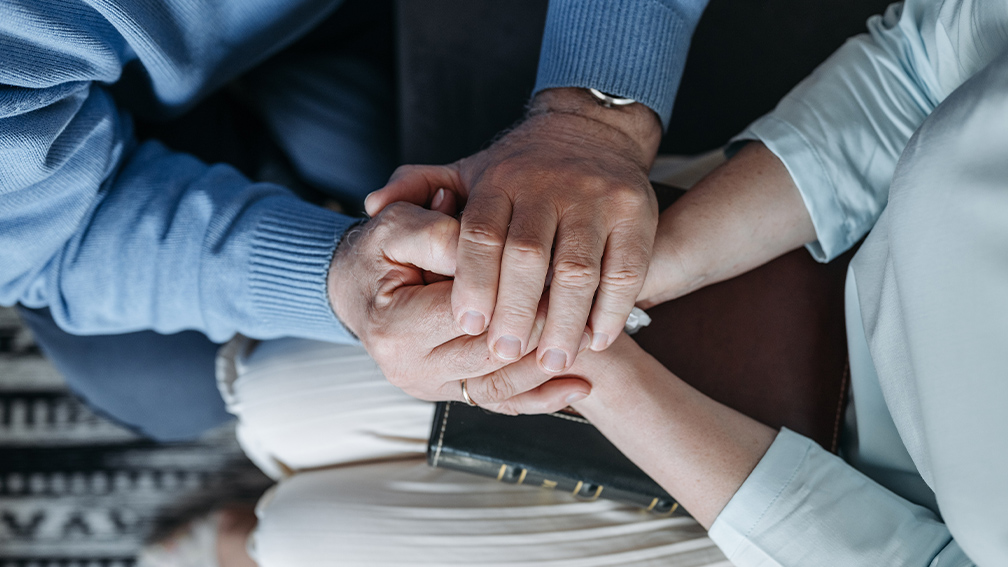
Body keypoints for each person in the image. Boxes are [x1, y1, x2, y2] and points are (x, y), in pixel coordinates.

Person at [195, 0, 1007, 564]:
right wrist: (637, 272)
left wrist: (592, 363)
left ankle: (248, 545)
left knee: (306, 535)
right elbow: (922, 69)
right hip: (803, 246)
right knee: (276, 393)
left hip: (842, 522)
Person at [0, 0, 707, 440]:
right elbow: (54, 240)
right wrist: (334, 279)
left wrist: (591, 117)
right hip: (58, 155)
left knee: (418, 174)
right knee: (164, 385)